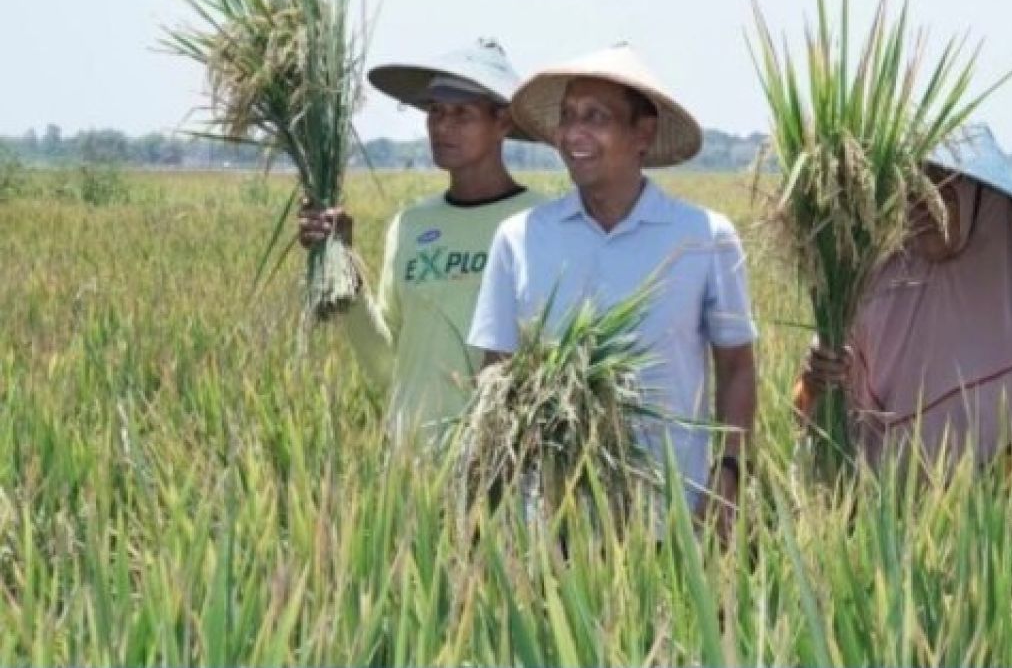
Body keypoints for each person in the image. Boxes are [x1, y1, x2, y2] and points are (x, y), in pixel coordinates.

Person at [467, 44, 758, 534]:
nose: (573, 134)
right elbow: (496, 377)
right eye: (567, 117)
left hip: (674, 516)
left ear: (642, 133)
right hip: (550, 520)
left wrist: (729, 476)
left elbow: (737, 369)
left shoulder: (704, 238)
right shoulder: (521, 237)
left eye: (595, 117)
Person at [795, 124, 1012, 498]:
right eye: (914, 195)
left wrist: (1010, 490)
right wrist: (814, 384)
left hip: (994, 541)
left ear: (983, 205)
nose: (923, 210)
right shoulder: (873, 290)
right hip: (877, 526)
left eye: (942, 196)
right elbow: (814, 412)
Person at [298, 38, 546, 446]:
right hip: (411, 465)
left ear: (502, 122)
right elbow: (386, 365)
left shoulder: (539, 224)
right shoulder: (410, 225)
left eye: (462, 114)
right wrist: (345, 268)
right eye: (435, 111)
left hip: (500, 462)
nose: (442, 127)